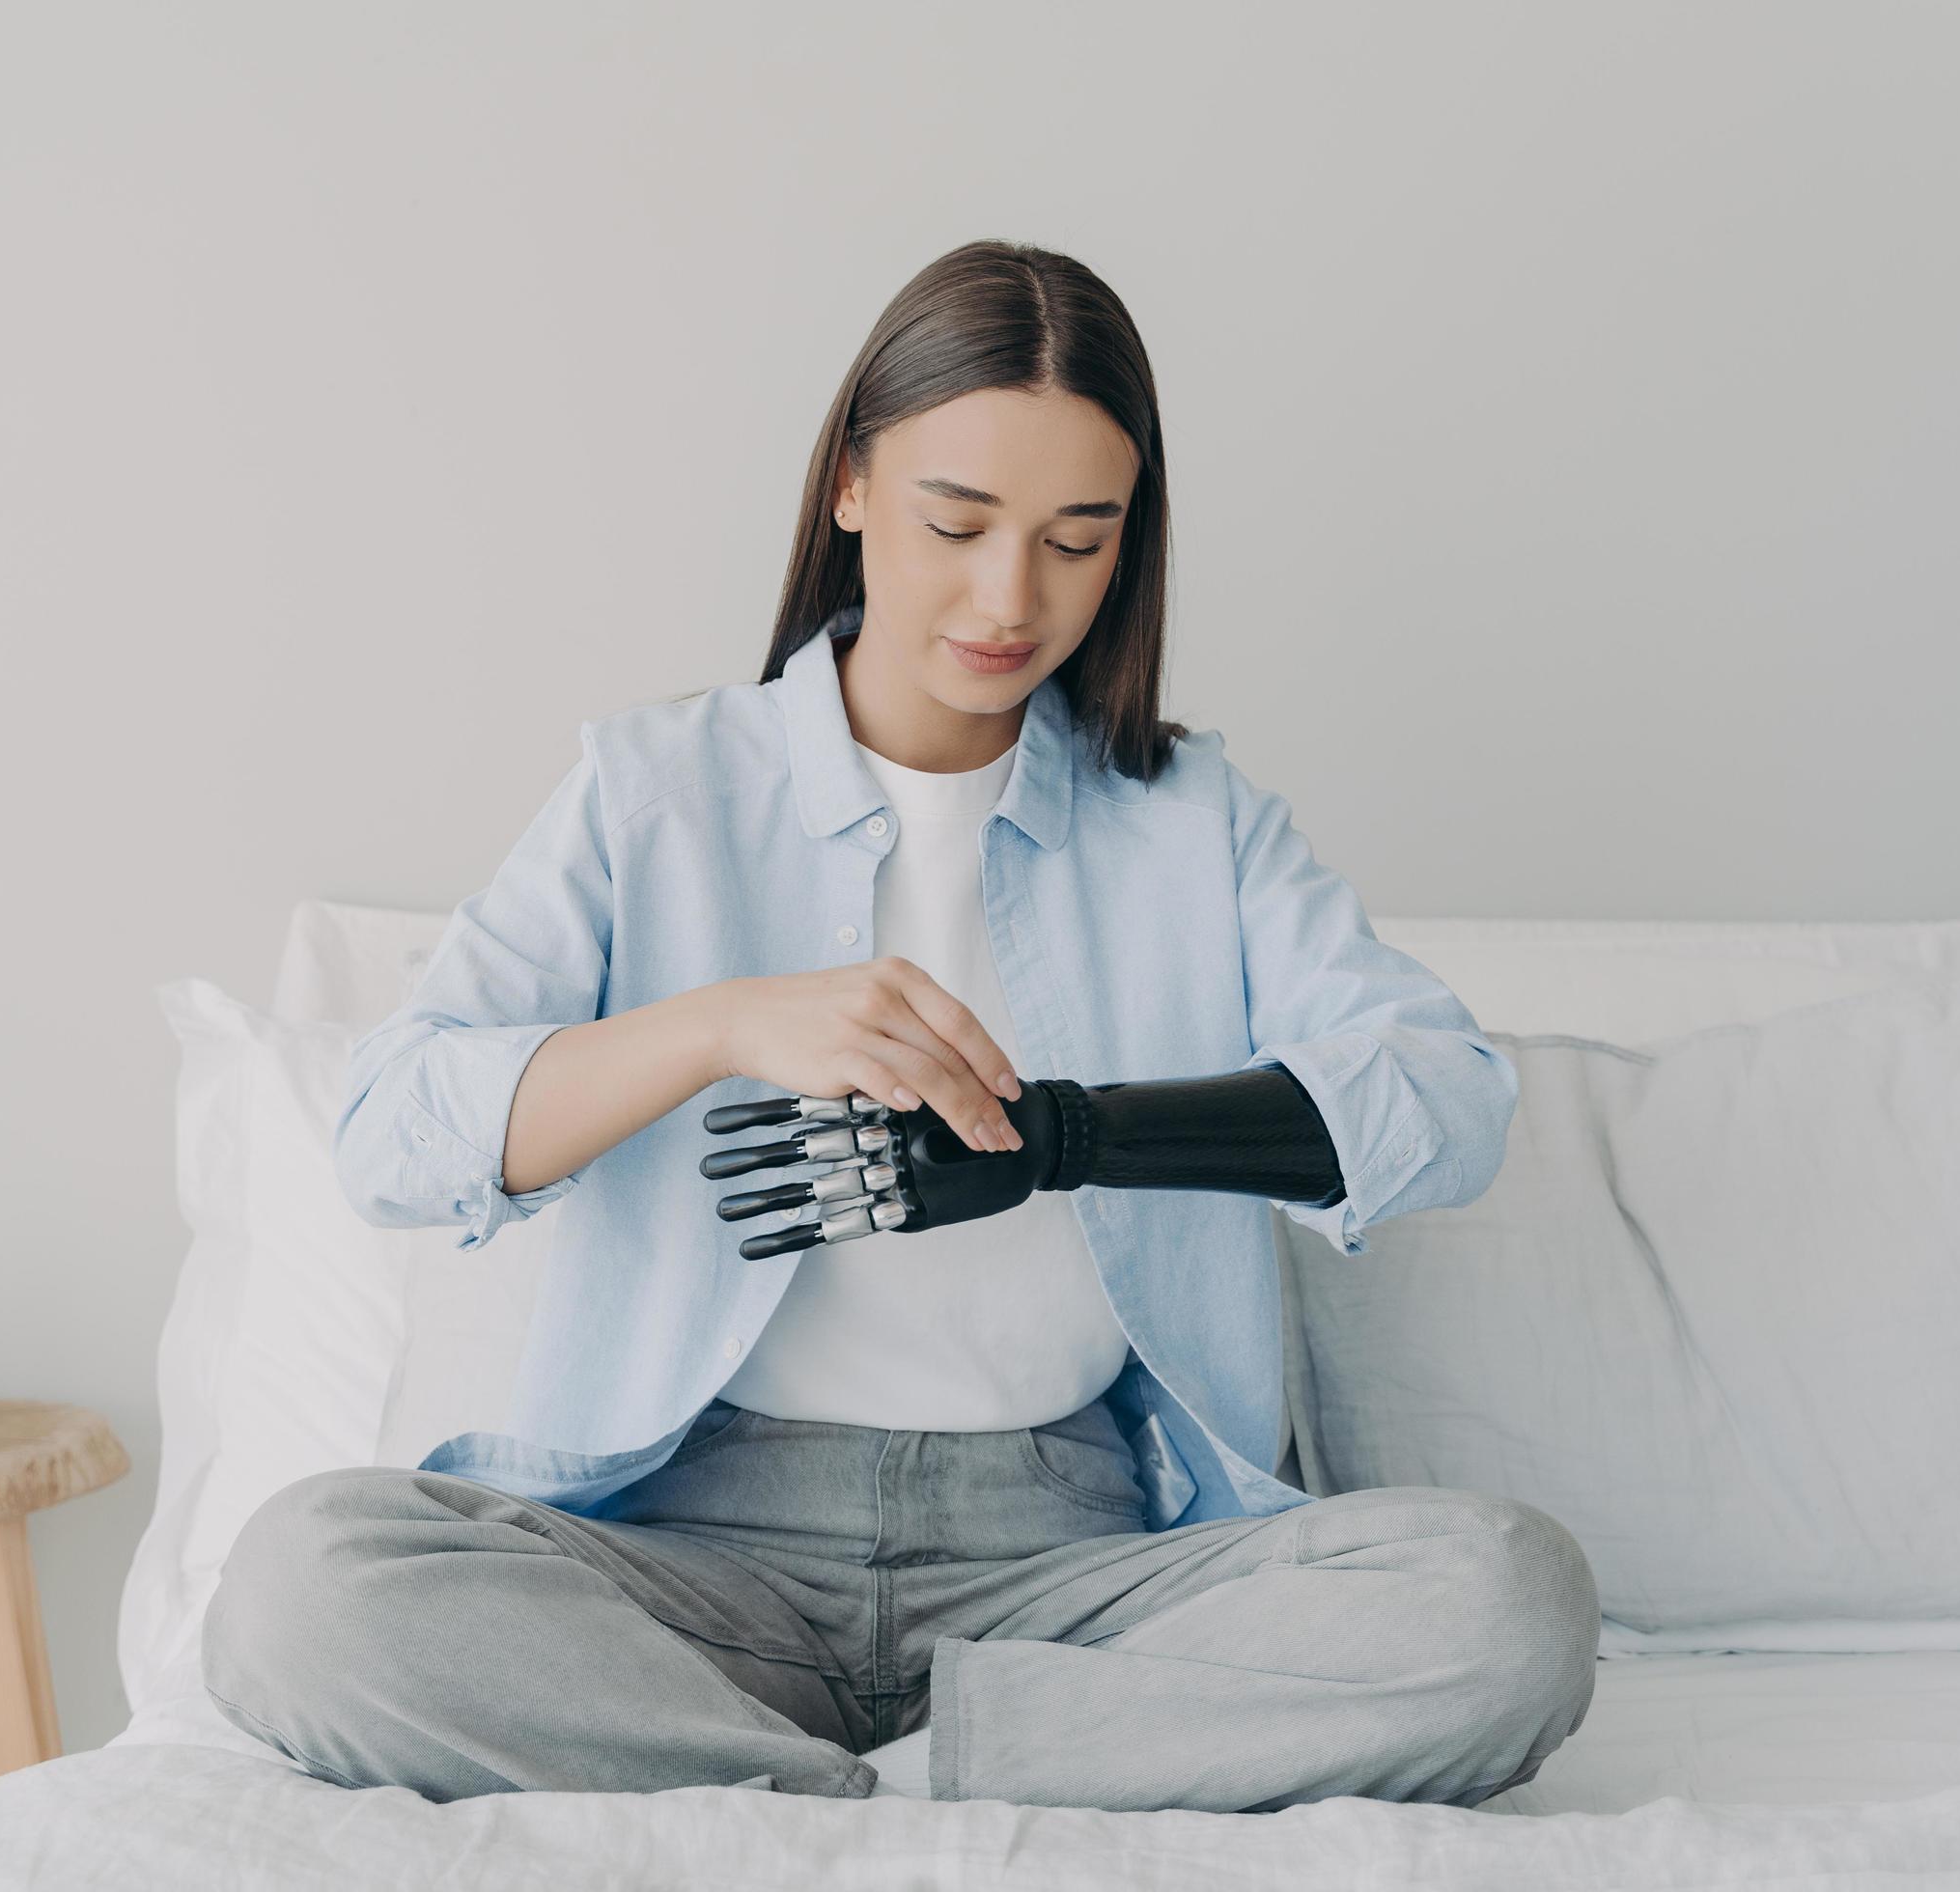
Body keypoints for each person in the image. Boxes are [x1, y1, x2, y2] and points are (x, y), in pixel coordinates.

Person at [200, 237, 1596, 1813]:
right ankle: (891, 1794)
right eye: (959, 523)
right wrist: (724, 1026)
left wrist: (1065, 1135)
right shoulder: (656, 792)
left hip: (1073, 1566)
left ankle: (851, 1789)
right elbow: (394, 1135)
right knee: (298, 1587)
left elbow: (1448, 1101)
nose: (1014, 599)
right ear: (852, 487)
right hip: (689, 1562)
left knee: (1508, 1600)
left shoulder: (1193, 823)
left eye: (1080, 540)